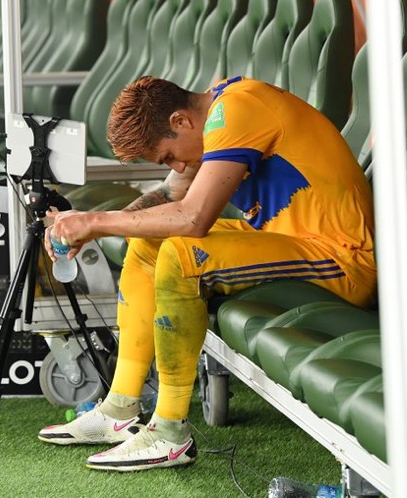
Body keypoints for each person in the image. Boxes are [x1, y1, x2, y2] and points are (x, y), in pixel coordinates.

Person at [37, 75, 377, 471]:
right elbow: (169, 196)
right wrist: (92, 227)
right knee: (149, 243)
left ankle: (169, 432)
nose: (177, 166)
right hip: (292, 243)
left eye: (168, 156)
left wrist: (95, 221)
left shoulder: (236, 110)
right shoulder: (215, 113)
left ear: (181, 121)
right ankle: (119, 410)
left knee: (184, 254)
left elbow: (193, 218)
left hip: (342, 260)